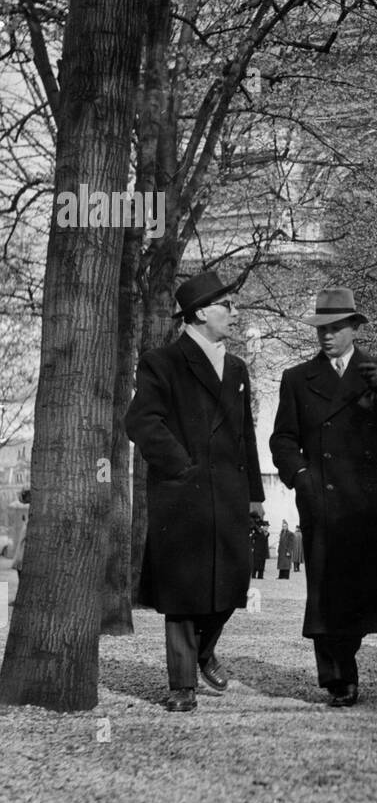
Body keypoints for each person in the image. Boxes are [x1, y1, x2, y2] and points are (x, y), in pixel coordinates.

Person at [270, 288, 377, 707]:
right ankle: (338, 675)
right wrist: (301, 477)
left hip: (370, 503)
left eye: (336, 327)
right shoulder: (297, 378)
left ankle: (344, 657)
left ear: (354, 328)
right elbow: (282, 439)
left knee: (361, 591)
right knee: (326, 591)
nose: (327, 336)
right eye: (322, 328)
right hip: (324, 499)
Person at [125, 269, 265, 713]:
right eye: (227, 305)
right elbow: (141, 422)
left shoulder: (238, 368)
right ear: (201, 311)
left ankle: (204, 651)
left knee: (231, 584)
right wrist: (182, 465)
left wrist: (255, 495)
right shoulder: (160, 362)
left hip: (228, 495)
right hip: (181, 496)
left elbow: (245, 435)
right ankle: (181, 684)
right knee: (184, 592)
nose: (234, 312)